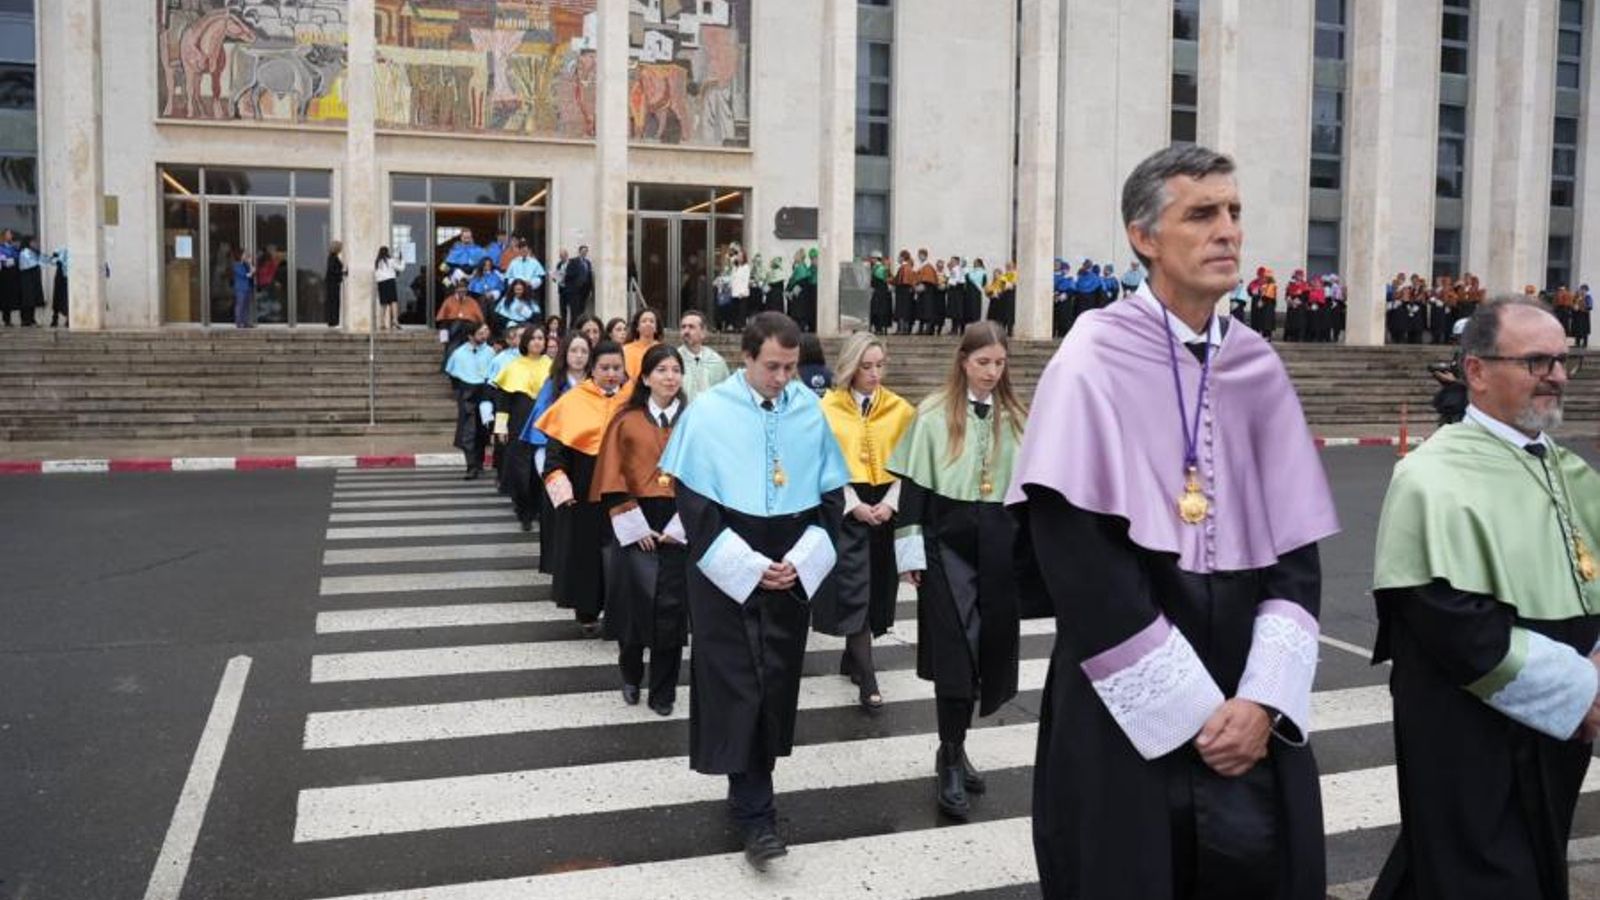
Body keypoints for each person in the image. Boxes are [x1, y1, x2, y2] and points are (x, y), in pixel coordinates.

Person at [1012, 144, 1340, 900]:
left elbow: (1295, 554)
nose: (1228, 231)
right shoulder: (1091, 358)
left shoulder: (1258, 363)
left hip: (1249, 691)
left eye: (1234, 213)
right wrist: (1195, 714)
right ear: (1144, 237)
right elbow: (1078, 557)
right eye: (1202, 214)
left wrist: (1261, 702)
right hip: (1128, 693)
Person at [1369, 297, 1599, 900]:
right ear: (1476, 371)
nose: (1554, 374)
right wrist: (1582, 689)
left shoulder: (1570, 470)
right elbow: (1447, 620)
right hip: (1468, 726)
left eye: (1561, 361)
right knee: (1475, 867)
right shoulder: (1432, 475)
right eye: (1535, 361)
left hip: (1556, 733)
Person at [657, 311, 850, 869]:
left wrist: (801, 562)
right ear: (746, 357)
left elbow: (831, 501)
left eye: (790, 367)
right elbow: (695, 507)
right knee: (738, 684)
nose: (782, 378)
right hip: (728, 573)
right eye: (772, 366)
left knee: (773, 685)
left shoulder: (810, 412)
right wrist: (746, 566)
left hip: (787, 571)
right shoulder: (711, 412)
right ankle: (757, 817)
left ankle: (748, 790)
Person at [889, 321, 1028, 821]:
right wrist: (910, 555)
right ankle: (949, 755)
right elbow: (913, 496)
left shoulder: (1016, 418)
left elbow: (1027, 499)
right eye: (983, 362)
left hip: (996, 545)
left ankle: (958, 744)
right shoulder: (931, 415)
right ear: (963, 362)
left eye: (1000, 362)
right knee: (954, 655)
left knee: (984, 655)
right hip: (945, 546)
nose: (993, 372)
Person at [816, 333, 916, 711]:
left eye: (880, 365)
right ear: (850, 366)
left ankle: (852, 656)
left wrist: (890, 504)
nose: (875, 374)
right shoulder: (828, 407)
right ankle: (868, 675)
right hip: (847, 504)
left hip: (886, 504)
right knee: (853, 585)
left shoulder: (900, 409)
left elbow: (908, 463)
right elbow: (824, 461)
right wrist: (853, 504)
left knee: (877, 587)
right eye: (867, 366)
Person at [593, 344, 691, 716]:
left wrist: (683, 524)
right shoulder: (626, 419)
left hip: (680, 520)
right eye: (662, 370)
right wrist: (635, 527)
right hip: (634, 519)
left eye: (675, 370)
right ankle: (631, 674)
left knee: (671, 611)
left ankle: (664, 691)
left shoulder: (695, 420)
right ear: (646, 377)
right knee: (633, 608)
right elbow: (611, 475)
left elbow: (709, 475)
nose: (670, 377)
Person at [536, 339, 630, 635]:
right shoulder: (572, 400)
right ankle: (587, 611)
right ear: (593, 368)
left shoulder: (633, 401)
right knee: (585, 554)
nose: (611, 373)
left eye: (617, 367)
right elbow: (554, 457)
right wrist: (562, 493)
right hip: (582, 490)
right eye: (605, 368)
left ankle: (620, 611)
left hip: (622, 491)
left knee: (623, 553)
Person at [521, 332, 591, 569]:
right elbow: (540, 431)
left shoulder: (597, 386)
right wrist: (546, 472)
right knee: (559, 516)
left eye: (584, 351)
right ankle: (557, 567)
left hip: (589, 464)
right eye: (574, 350)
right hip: (557, 463)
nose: (579, 356)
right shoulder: (553, 386)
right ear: (565, 353)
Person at [493, 326, 553, 530]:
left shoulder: (552, 366)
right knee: (520, 471)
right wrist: (500, 428)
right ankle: (523, 510)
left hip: (545, 427)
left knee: (540, 470)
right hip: (519, 424)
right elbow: (503, 402)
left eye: (541, 338)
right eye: (533, 338)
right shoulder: (512, 366)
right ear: (525, 341)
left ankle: (536, 508)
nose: (537, 342)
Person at [445, 322, 497, 480]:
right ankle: (471, 466)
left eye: (485, 332)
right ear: (470, 336)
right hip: (467, 394)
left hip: (485, 392)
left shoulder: (490, 352)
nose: (484, 336)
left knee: (483, 429)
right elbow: (453, 376)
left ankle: (479, 462)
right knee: (468, 431)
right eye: (480, 333)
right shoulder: (459, 353)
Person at [675, 308, 730, 402]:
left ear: (703, 332)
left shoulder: (717, 361)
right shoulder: (673, 358)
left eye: (691, 327)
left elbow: (726, 394)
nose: (686, 331)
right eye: (683, 327)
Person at [435, 284, 486, 368]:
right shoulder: (449, 300)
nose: (462, 293)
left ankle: (446, 366)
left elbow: (479, 317)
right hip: (452, 326)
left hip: (468, 327)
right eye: (460, 291)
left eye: (464, 291)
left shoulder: (471, 301)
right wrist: (443, 336)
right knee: (457, 325)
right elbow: (442, 318)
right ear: (456, 290)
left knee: (460, 328)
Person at [622, 306, 662, 382]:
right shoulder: (626, 350)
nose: (648, 324)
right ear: (637, 327)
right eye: (644, 321)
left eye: (652, 321)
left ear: (656, 328)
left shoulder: (663, 349)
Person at [561, 244, 594, 321]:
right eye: (583, 251)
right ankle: (574, 327)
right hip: (574, 291)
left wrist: (591, 290)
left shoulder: (588, 263)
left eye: (586, 251)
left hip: (585, 290)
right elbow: (568, 275)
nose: (584, 253)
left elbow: (589, 276)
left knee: (582, 310)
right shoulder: (573, 261)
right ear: (579, 252)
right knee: (574, 311)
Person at [375, 246, 403, 331]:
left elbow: (376, 274)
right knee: (393, 302)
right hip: (390, 282)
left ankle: (382, 323)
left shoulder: (377, 262)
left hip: (381, 283)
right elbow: (401, 268)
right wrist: (403, 261)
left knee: (383, 303)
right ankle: (395, 320)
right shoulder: (390, 261)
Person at [17, 237, 42, 327]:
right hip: (26, 278)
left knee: (33, 299)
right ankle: (26, 320)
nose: (35, 244)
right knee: (27, 299)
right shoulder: (25, 252)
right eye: (33, 242)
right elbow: (32, 263)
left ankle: (31, 319)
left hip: (32, 278)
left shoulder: (32, 252)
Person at [1249, 266, 1278, 339]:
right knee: (1256, 319)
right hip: (1256, 303)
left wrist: (1263, 300)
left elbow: (1271, 294)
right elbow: (1249, 290)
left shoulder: (1270, 283)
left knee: (1266, 321)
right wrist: (1252, 292)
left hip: (1268, 304)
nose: (1261, 277)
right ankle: (1256, 334)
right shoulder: (1254, 282)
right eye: (1259, 275)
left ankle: (1267, 335)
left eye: (1262, 275)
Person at [893, 250, 916, 335]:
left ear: (902, 257)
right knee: (905, 311)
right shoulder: (908, 267)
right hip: (906, 291)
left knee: (901, 310)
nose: (898, 258)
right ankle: (904, 329)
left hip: (902, 291)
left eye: (899, 257)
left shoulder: (904, 267)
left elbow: (902, 280)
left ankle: (901, 329)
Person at [868, 253, 893, 335]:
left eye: (872, 258)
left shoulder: (878, 269)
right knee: (879, 311)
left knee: (877, 310)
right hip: (882, 292)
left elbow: (884, 279)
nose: (871, 260)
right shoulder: (880, 268)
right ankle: (879, 328)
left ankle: (878, 328)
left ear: (876, 259)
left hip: (879, 292)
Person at [231, 248, 254, 329]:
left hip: (247, 288)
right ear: (240, 255)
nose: (245, 255)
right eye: (244, 254)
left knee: (246, 306)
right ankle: (239, 323)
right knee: (240, 306)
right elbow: (246, 275)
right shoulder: (236, 265)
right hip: (240, 289)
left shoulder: (245, 264)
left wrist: (250, 263)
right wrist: (250, 272)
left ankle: (245, 322)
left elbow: (252, 271)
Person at [47, 247, 68, 328]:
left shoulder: (66, 255)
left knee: (66, 299)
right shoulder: (60, 253)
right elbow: (52, 261)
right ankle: (55, 319)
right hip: (60, 278)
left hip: (66, 279)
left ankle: (66, 319)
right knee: (57, 299)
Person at [0, 229, 16, 326]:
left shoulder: (12, 247)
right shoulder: (1, 247)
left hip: (11, 274)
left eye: (11, 234)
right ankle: (6, 318)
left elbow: (16, 256)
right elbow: (3, 259)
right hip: (3, 274)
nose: (11, 236)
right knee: (3, 296)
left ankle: (7, 319)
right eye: (9, 234)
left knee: (8, 297)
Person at [1575, 283, 1593, 348]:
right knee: (1578, 329)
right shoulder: (1578, 297)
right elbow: (1575, 305)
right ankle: (1577, 343)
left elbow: (1590, 306)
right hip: (1578, 315)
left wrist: (1584, 306)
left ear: (1586, 290)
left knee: (1585, 329)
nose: (1582, 291)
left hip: (1585, 315)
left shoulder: (1588, 297)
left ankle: (1585, 343)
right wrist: (1576, 305)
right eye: (1581, 289)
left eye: (1583, 290)